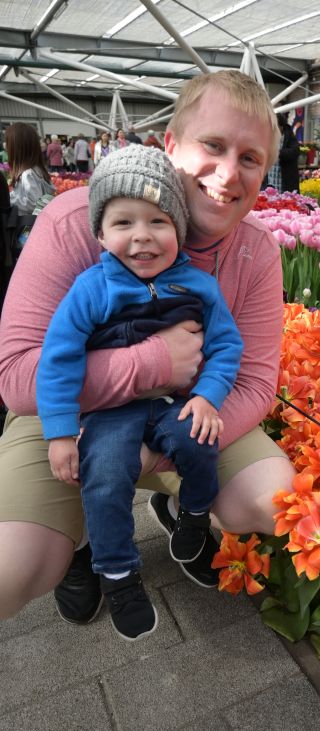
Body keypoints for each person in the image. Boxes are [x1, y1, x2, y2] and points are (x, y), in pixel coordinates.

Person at [0, 69, 295, 625]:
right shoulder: (74, 222)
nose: (229, 173)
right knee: (13, 570)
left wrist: (165, 450)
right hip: (65, 417)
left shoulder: (255, 251)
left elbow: (255, 381)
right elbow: (17, 378)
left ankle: (181, 503)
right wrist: (152, 362)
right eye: (212, 145)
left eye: (250, 158)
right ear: (170, 145)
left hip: (186, 413)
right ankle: (79, 546)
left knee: (271, 498)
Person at [36, 146, 243, 641]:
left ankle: (192, 515)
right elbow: (58, 360)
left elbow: (227, 343)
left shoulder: (197, 286)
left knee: (200, 439)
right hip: (108, 412)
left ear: (178, 230)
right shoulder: (91, 290)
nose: (142, 236)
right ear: (101, 235)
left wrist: (209, 395)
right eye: (123, 223)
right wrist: (61, 432)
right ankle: (119, 573)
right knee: (104, 476)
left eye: (158, 221)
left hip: (173, 402)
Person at [5, 122, 55, 214]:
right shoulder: (37, 169)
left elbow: (33, 203)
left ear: (17, 148)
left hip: (27, 224)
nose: (6, 147)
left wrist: (8, 200)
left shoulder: (28, 174)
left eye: (8, 144)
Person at [265, 114, 300, 193]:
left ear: (281, 126)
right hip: (270, 181)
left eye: (275, 126)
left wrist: (277, 152)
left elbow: (294, 152)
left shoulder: (289, 137)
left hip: (284, 181)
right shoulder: (267, 137)